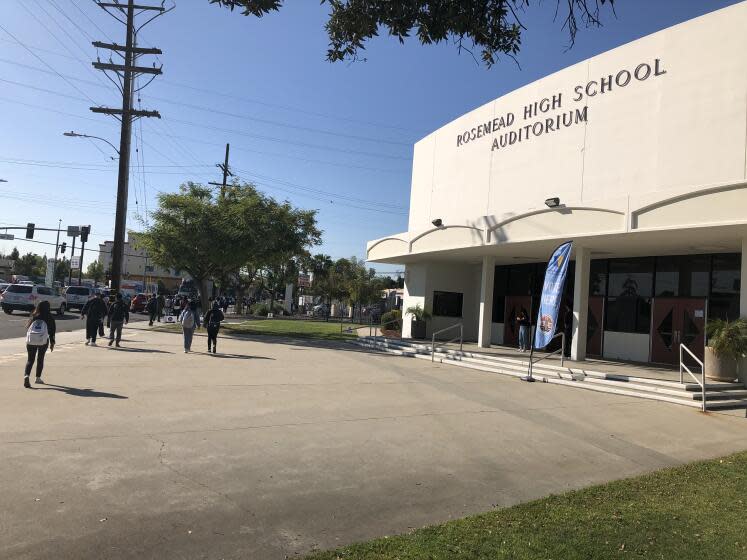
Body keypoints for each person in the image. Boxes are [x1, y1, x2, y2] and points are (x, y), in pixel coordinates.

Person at [24, 300, 56, 388]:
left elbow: (28, 328)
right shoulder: (49, 316)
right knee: (40, 359)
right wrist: (52, 343)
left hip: (31, 340)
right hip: (43, 340)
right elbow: (52, 331)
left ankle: (26, 375)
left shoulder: (34, 315)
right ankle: (37, 378)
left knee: (30, 360)